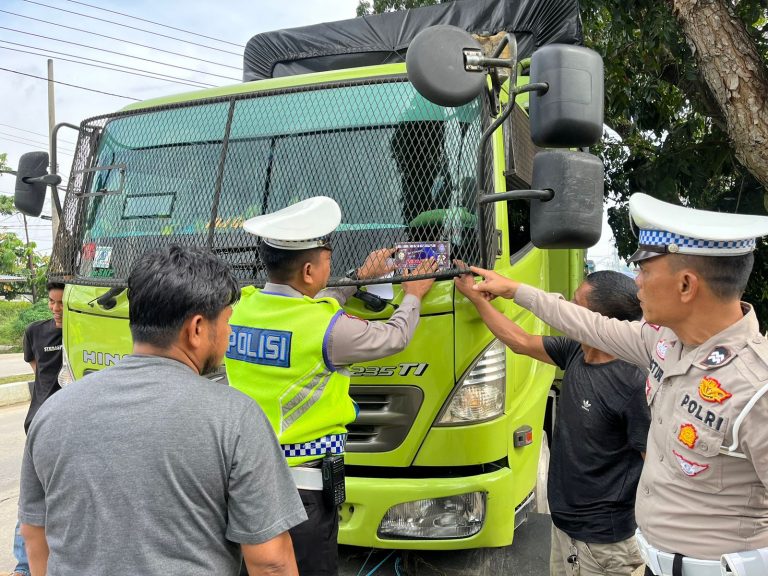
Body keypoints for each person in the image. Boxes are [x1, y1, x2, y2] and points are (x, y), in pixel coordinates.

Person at [465, 193, 768, 576]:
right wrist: (513, 289)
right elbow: (588, 324)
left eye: (645, 270)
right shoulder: (665, 343)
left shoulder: (756, 388)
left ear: (686, 285)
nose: (636, 282)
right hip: (653, 560)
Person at [18, 245, 307, 576]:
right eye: (228, 323)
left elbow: (34, 536)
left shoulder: (53, 413)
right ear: (197, 329)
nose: (229, 336)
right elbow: (271, 562)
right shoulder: (235, 417)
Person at [225, 196, 437, 576]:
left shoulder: (242, 307)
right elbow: (394, 337)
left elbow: (313, 305)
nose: (330, 266)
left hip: (245, 481)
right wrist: (414, 295)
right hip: (301, 493)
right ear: (309, 271)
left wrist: (357, 278)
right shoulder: (327, 328)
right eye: (327, 261)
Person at [456, 268, 649, 576]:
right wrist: (476, 299)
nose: (567, 312)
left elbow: (653, 464)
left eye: (576, 305)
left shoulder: (633, 382)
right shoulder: (576, 351)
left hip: (605, 542)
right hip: (564, 525)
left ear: (601, 322)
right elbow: (518, 340)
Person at [9, 281, 64, 576]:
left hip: (71, 427)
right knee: (32, 501)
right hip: (40, 424)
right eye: (52, 302)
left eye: (62, 304)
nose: (56, 309)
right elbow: (39, 373)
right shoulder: (36, 332)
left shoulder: (84, 330)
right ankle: (23, 567)